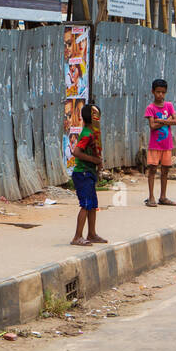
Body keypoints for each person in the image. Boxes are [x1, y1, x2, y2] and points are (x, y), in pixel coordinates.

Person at [70, 104, 107, 246]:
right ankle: (77, 236)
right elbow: (76, 152)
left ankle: (91, 234)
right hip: (82, 173)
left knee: (92, 205)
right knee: (85, 205)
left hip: (88, 173)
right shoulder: (87, 134)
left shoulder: (93, 134)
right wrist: (95, 160)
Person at [144, 78, 176, 206]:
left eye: (163, 92)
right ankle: (151, 197)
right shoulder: (150, 108)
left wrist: (160, 121)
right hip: (154, 145)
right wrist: (167, 120)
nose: (160, 95)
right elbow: (152, 126)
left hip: (167, 145)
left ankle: (163, 197)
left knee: (165, 171)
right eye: (158, 92)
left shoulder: (169, 105)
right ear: (153, 92)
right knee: (152, 170)